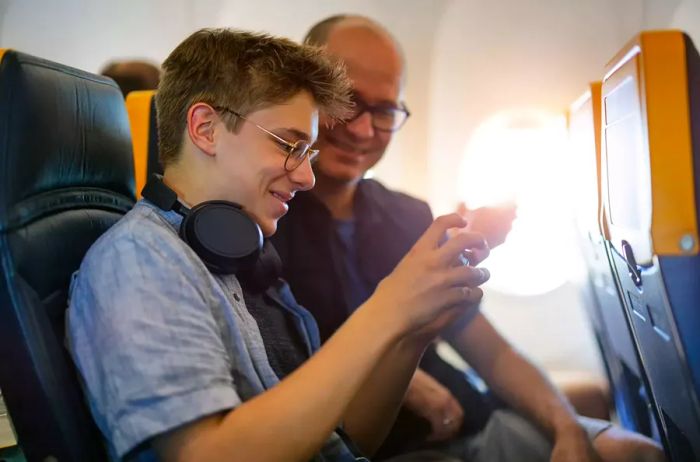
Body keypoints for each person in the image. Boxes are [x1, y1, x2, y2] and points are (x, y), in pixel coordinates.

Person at [67, 28, 491, 462]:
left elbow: (344, 442)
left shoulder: (244, 260)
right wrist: (387, 308)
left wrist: (411, 331)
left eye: (308, 153)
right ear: (206, 128)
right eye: (290, 145)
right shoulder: (142, 263)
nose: (307, 177)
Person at [272, 15, 666, 462]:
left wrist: (567, 428)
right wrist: (400, 379)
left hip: (474, 421)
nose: (363, 130)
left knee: (637, 454)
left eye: (384, 111)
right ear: (307, 92)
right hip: (392, 447)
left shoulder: (408, 217)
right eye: (346, 100)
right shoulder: (270, 217)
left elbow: (490, 351)